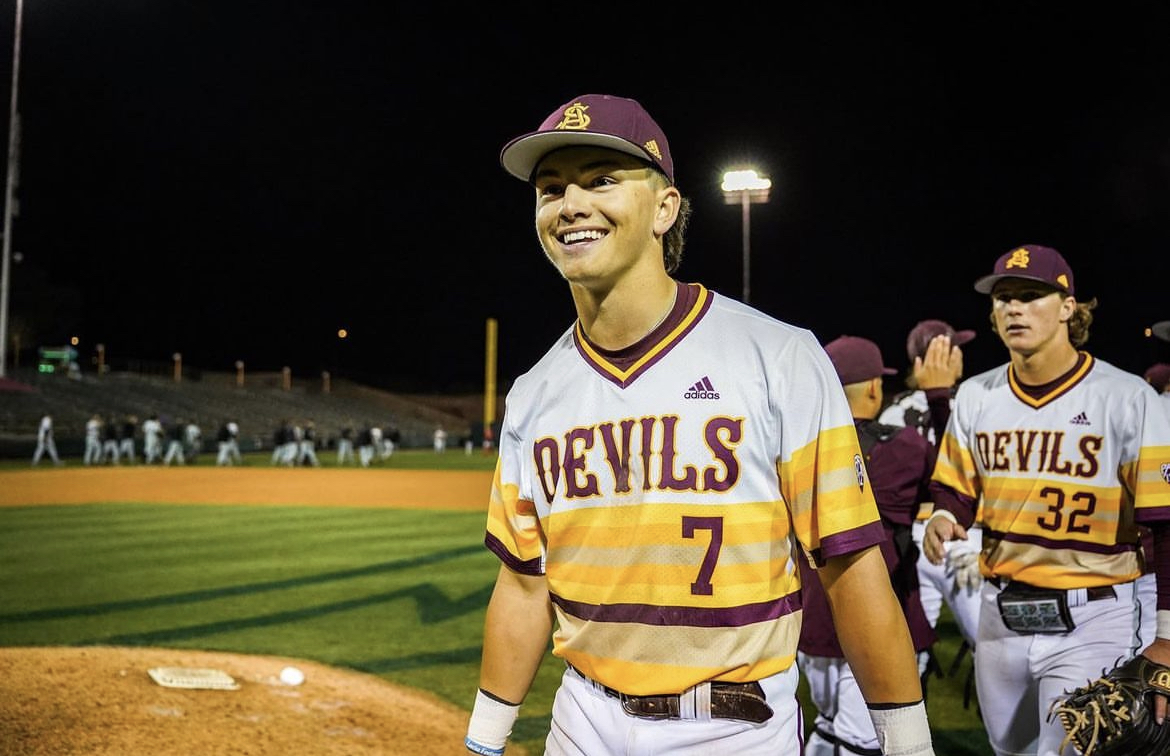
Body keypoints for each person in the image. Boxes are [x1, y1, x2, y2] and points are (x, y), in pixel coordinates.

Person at [464, 93, 933, 756]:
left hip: (732, 728)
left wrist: (908, 742)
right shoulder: (535, 391)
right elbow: (522, 581)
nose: (570, 204)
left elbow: (852, 564)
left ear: (665, 208)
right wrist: (484, 740)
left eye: (602, 180)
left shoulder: (778, 356)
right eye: (550, 188)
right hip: (582, 722)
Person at [923, 244, 1170, 756]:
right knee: (1010, 750)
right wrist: (947, 515)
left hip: (1095, 615)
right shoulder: (976, 395)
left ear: (1067, 308)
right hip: (1000, 613)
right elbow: (957, 489)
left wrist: (1168, 639)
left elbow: (1167, 527)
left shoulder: (1127, 398)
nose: (1013, 307)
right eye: (1004, 298)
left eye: (1031, 295)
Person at [798, 335, 938, 756]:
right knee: (863, 740)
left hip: (813, 614)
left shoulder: (799, 446)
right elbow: (956, 476)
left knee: (828, 723)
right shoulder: (908, 446)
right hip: (883, 611)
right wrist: (940, 398)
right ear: (875, 388)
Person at [879, 319, 982, 649]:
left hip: (911, 540)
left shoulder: (893, 411)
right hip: (963, 535)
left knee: (910, 649)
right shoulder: (971, 404)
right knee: (988, 646)